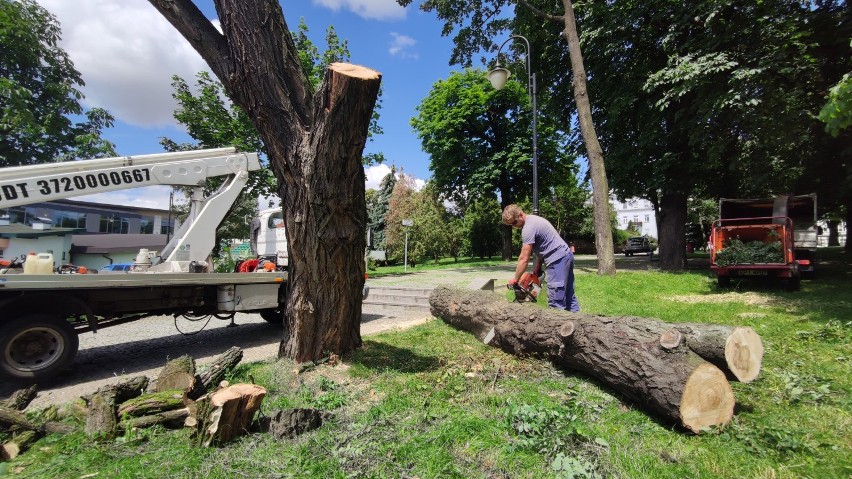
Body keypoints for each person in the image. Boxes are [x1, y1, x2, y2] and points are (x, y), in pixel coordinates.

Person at [502, 204, 580, 312]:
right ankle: (577, 324)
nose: (514, 226)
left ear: (520, 214)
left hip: (557, 260)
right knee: (569, 296)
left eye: (514, 222)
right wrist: (537, 268)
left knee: (555, 302)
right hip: (565, 255)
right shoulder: (534, 220)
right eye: (511, 225)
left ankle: (557, 327)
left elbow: (524, 258)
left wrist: (515, 280)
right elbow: (541, 247)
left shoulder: (528, 228)